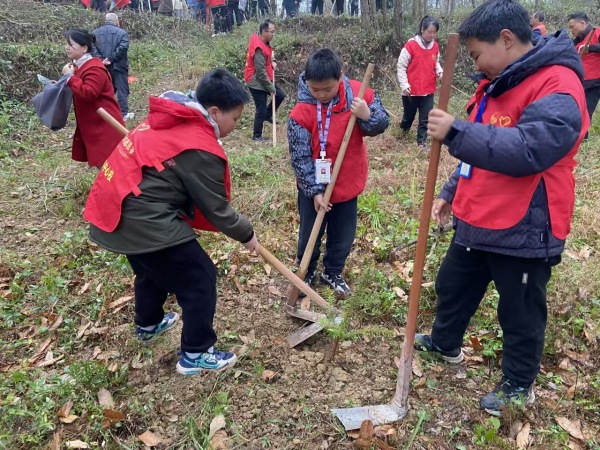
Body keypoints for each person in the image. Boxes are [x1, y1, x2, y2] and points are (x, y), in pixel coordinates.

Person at [416, 0, 589, 416]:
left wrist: (455, 130)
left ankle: (517, 385)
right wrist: (451, 188)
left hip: (526, 223)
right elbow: (479, 146)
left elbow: (531, 148)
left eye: (477, 54)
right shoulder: (495, 83)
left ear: (507, 39)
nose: (476, 64)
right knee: (453, 284)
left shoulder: (558, 84)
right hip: (478, 215)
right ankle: (445, 343)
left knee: (520, 311)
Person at [83, 69, 259, 375]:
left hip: (118, 210)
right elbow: (217, 208)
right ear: (215, 112)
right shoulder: (197, 145)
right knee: (199, 277)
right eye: (236, 119)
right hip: (141, 219)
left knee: (151, 270)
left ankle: (148, 324)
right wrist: (247, 235)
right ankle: (196, 353)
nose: (236, 125)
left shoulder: (171, 116)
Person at [287, 49, 390, 297]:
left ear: (340, 77)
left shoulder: (359, 94)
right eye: (315, 90)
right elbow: (300, 157)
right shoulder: (301, 111)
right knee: (310, 232)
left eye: (328, 89)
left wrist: (368, 115)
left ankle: (332, 271)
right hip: (314, 187)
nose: (321, 95)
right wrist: (313, 191)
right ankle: (307, 271)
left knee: (343, 234)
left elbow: (381, 123)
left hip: (347, 181)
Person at [61, 28, 125, 167]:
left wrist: (69, 77)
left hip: (105, 127)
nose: (67, 47)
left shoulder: (94, 68)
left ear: (84, 48)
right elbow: (77, 87)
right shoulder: (79, 67)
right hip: (94, 125)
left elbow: (88, 93)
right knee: (107, 169)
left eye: (71, 44)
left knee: (111, 168)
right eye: (66, 44)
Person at [397, 16, 443, 151]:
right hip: (411, 90)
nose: (432, 34)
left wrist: (439, 71)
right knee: (408, 117)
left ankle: (421, 142)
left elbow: (436, 63)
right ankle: (403, 132)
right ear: (422, 29)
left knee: (425, 118)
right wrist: (404, 84)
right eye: (430, 31)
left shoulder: (435, 46)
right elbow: (401, 66)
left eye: (434, 32)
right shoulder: (411, 45)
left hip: (428, 89)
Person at [244, 20, 286, 142]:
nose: (273, 34)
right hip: (255, 80)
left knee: (280, 95)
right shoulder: (258, 49)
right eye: (272, 32)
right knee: (260, 108)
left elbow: (269, 51)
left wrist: (273, 60)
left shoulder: (263, 40)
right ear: (264, 32)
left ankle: (268, 115)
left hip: (264, 76)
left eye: (274, 31)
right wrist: (271, 89)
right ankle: (257, 135)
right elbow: (261, 73)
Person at [93, 13, 133, 121]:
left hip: (102, 67)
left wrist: (102, 60)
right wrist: (111, 59)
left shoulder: (95, 33)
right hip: (118, 65)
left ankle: (105, 113)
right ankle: (123, 113)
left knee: (105, 90)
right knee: (122, 89)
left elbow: (92, 48)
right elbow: (123, 48)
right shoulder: (122, 33)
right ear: (117, 21)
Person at [567, 12, 600, 134]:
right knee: (578, 110)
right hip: (581, 81)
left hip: (595, 82)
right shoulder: (576, 41)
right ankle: (579, 136)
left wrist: (591, 48)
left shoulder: (597, 33)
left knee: (586, 111)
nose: (571, 30)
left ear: (582, 23)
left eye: (572, 26)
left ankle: (582, 138)